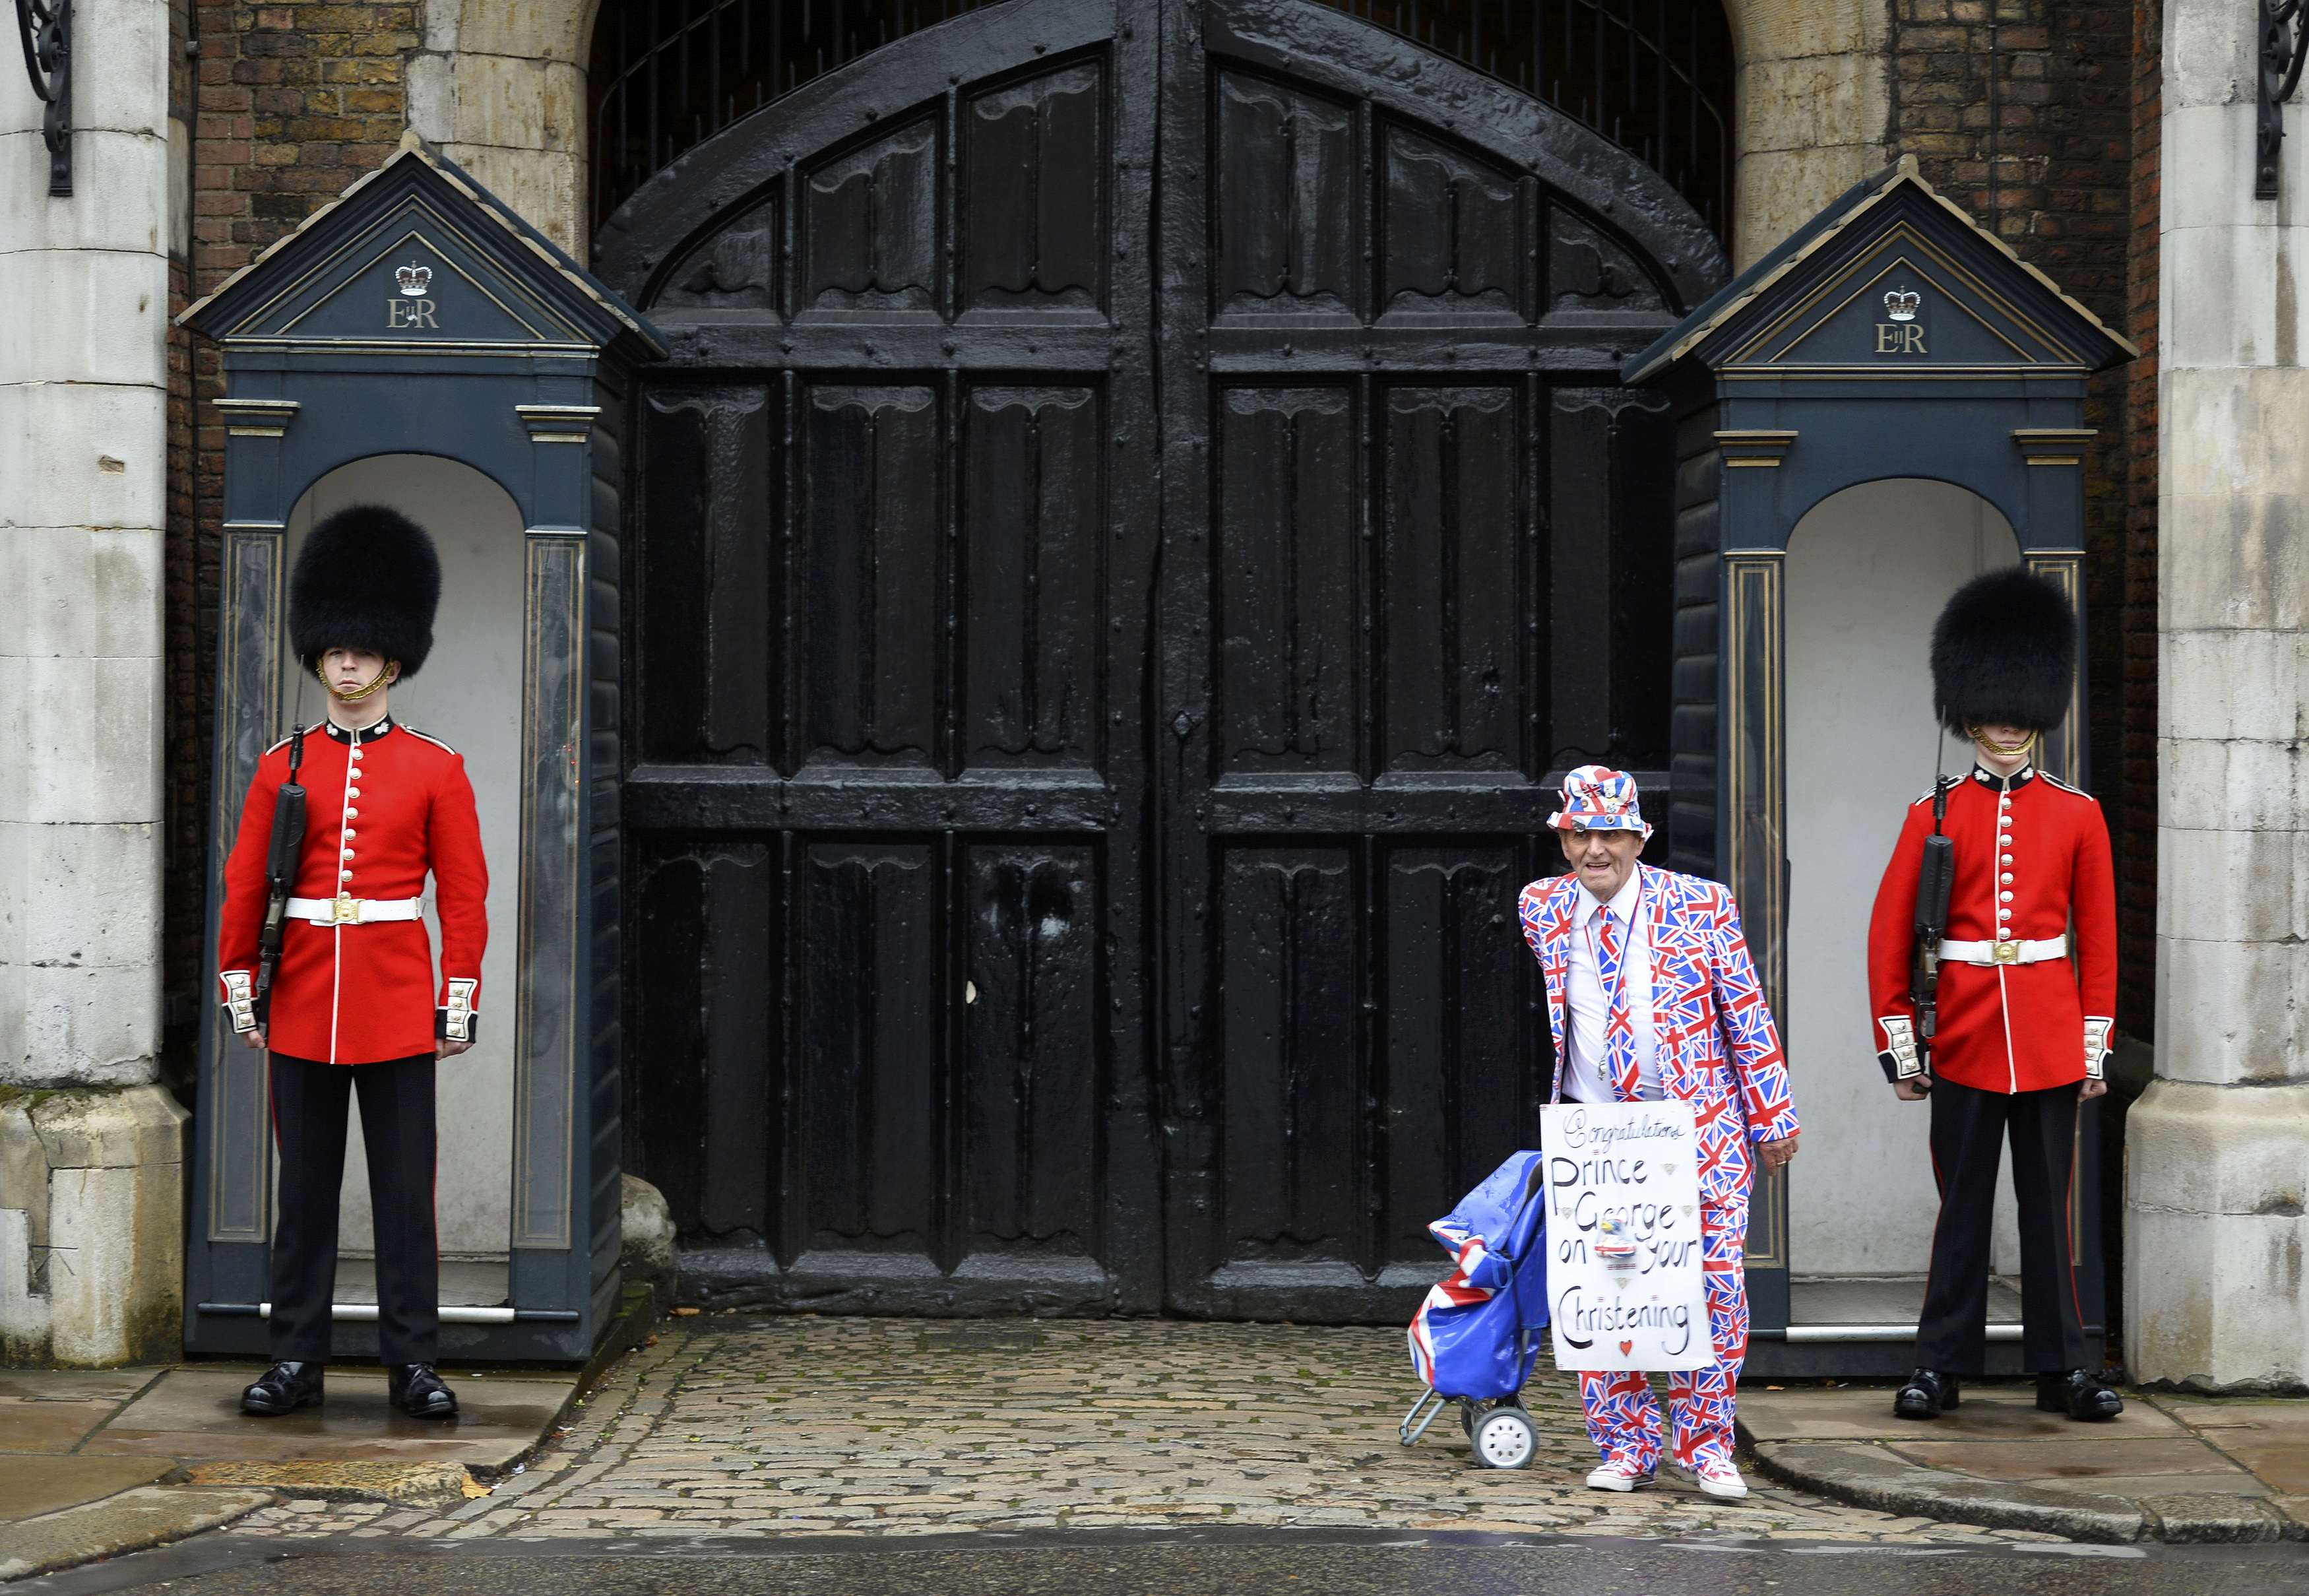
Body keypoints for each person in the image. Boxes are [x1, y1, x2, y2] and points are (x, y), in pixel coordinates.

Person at [216, 505, 487, 1420]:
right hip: (302, 1000)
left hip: (398, 1002)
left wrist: (457, 996)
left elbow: (463, 894)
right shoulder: (280, 764)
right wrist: (238, 984)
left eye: (361, 651)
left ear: (392, 659)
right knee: (305, 1200)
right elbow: (245, 884)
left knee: (407, 1199)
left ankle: (413, 1363)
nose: (345, 663)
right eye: (333, 649)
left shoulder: (435, 767)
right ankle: (296, 1360)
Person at [1866, 567, 2121, 1423]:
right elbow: (1889, 935)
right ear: (1968, 712)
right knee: (1963, 1207)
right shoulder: (1929, 812)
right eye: (1992, 710)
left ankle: (2063, 1366)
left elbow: (2101, 939)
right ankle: (1939, 1365)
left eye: (2018, 710)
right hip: (1967, 1035)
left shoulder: (2077, 814)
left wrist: (2092, 1047)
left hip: (2048, 1034)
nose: (2006, 725)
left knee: (2050, 1212)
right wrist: (1902, 1043)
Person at [1517, 766, 1801, 1500]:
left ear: (1639, 837)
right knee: (1604, 1293)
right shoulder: (1539, 908)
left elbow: (1745, 1012)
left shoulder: (1702, 905)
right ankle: (1625, 1444)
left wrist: (1772, 1113)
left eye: (1611, 833)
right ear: (1563, 840)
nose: (1595, 850)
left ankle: (1706, 1446)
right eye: (1580, 834)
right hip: (1599, 1137)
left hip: (1697, 1129)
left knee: (1712, 1290)